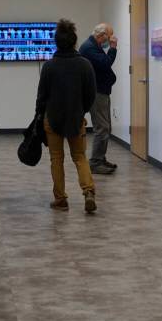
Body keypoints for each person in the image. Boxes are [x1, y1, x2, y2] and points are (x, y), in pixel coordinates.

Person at [36, 19, 97, 214]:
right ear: (74, 41)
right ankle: (88, 192)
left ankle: (61, 199)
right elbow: (91, 95)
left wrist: (39, 115)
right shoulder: (85, 65)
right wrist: (81, 111)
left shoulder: (49, 66)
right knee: (80, 157)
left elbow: (41, 97)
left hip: (52, 119)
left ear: (56, 42)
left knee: (56, 159)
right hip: (75, 119)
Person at [79, 23, 118, 174]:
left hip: (102, 91)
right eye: (110, 36)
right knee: (102, 128)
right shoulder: (89, 47)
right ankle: (95, 163)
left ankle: (100, 158)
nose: (111, 39)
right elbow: (105, 63)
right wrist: (113, 48)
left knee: (106, 127)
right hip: (97, 92)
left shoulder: (94, 45)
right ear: (101, 36)